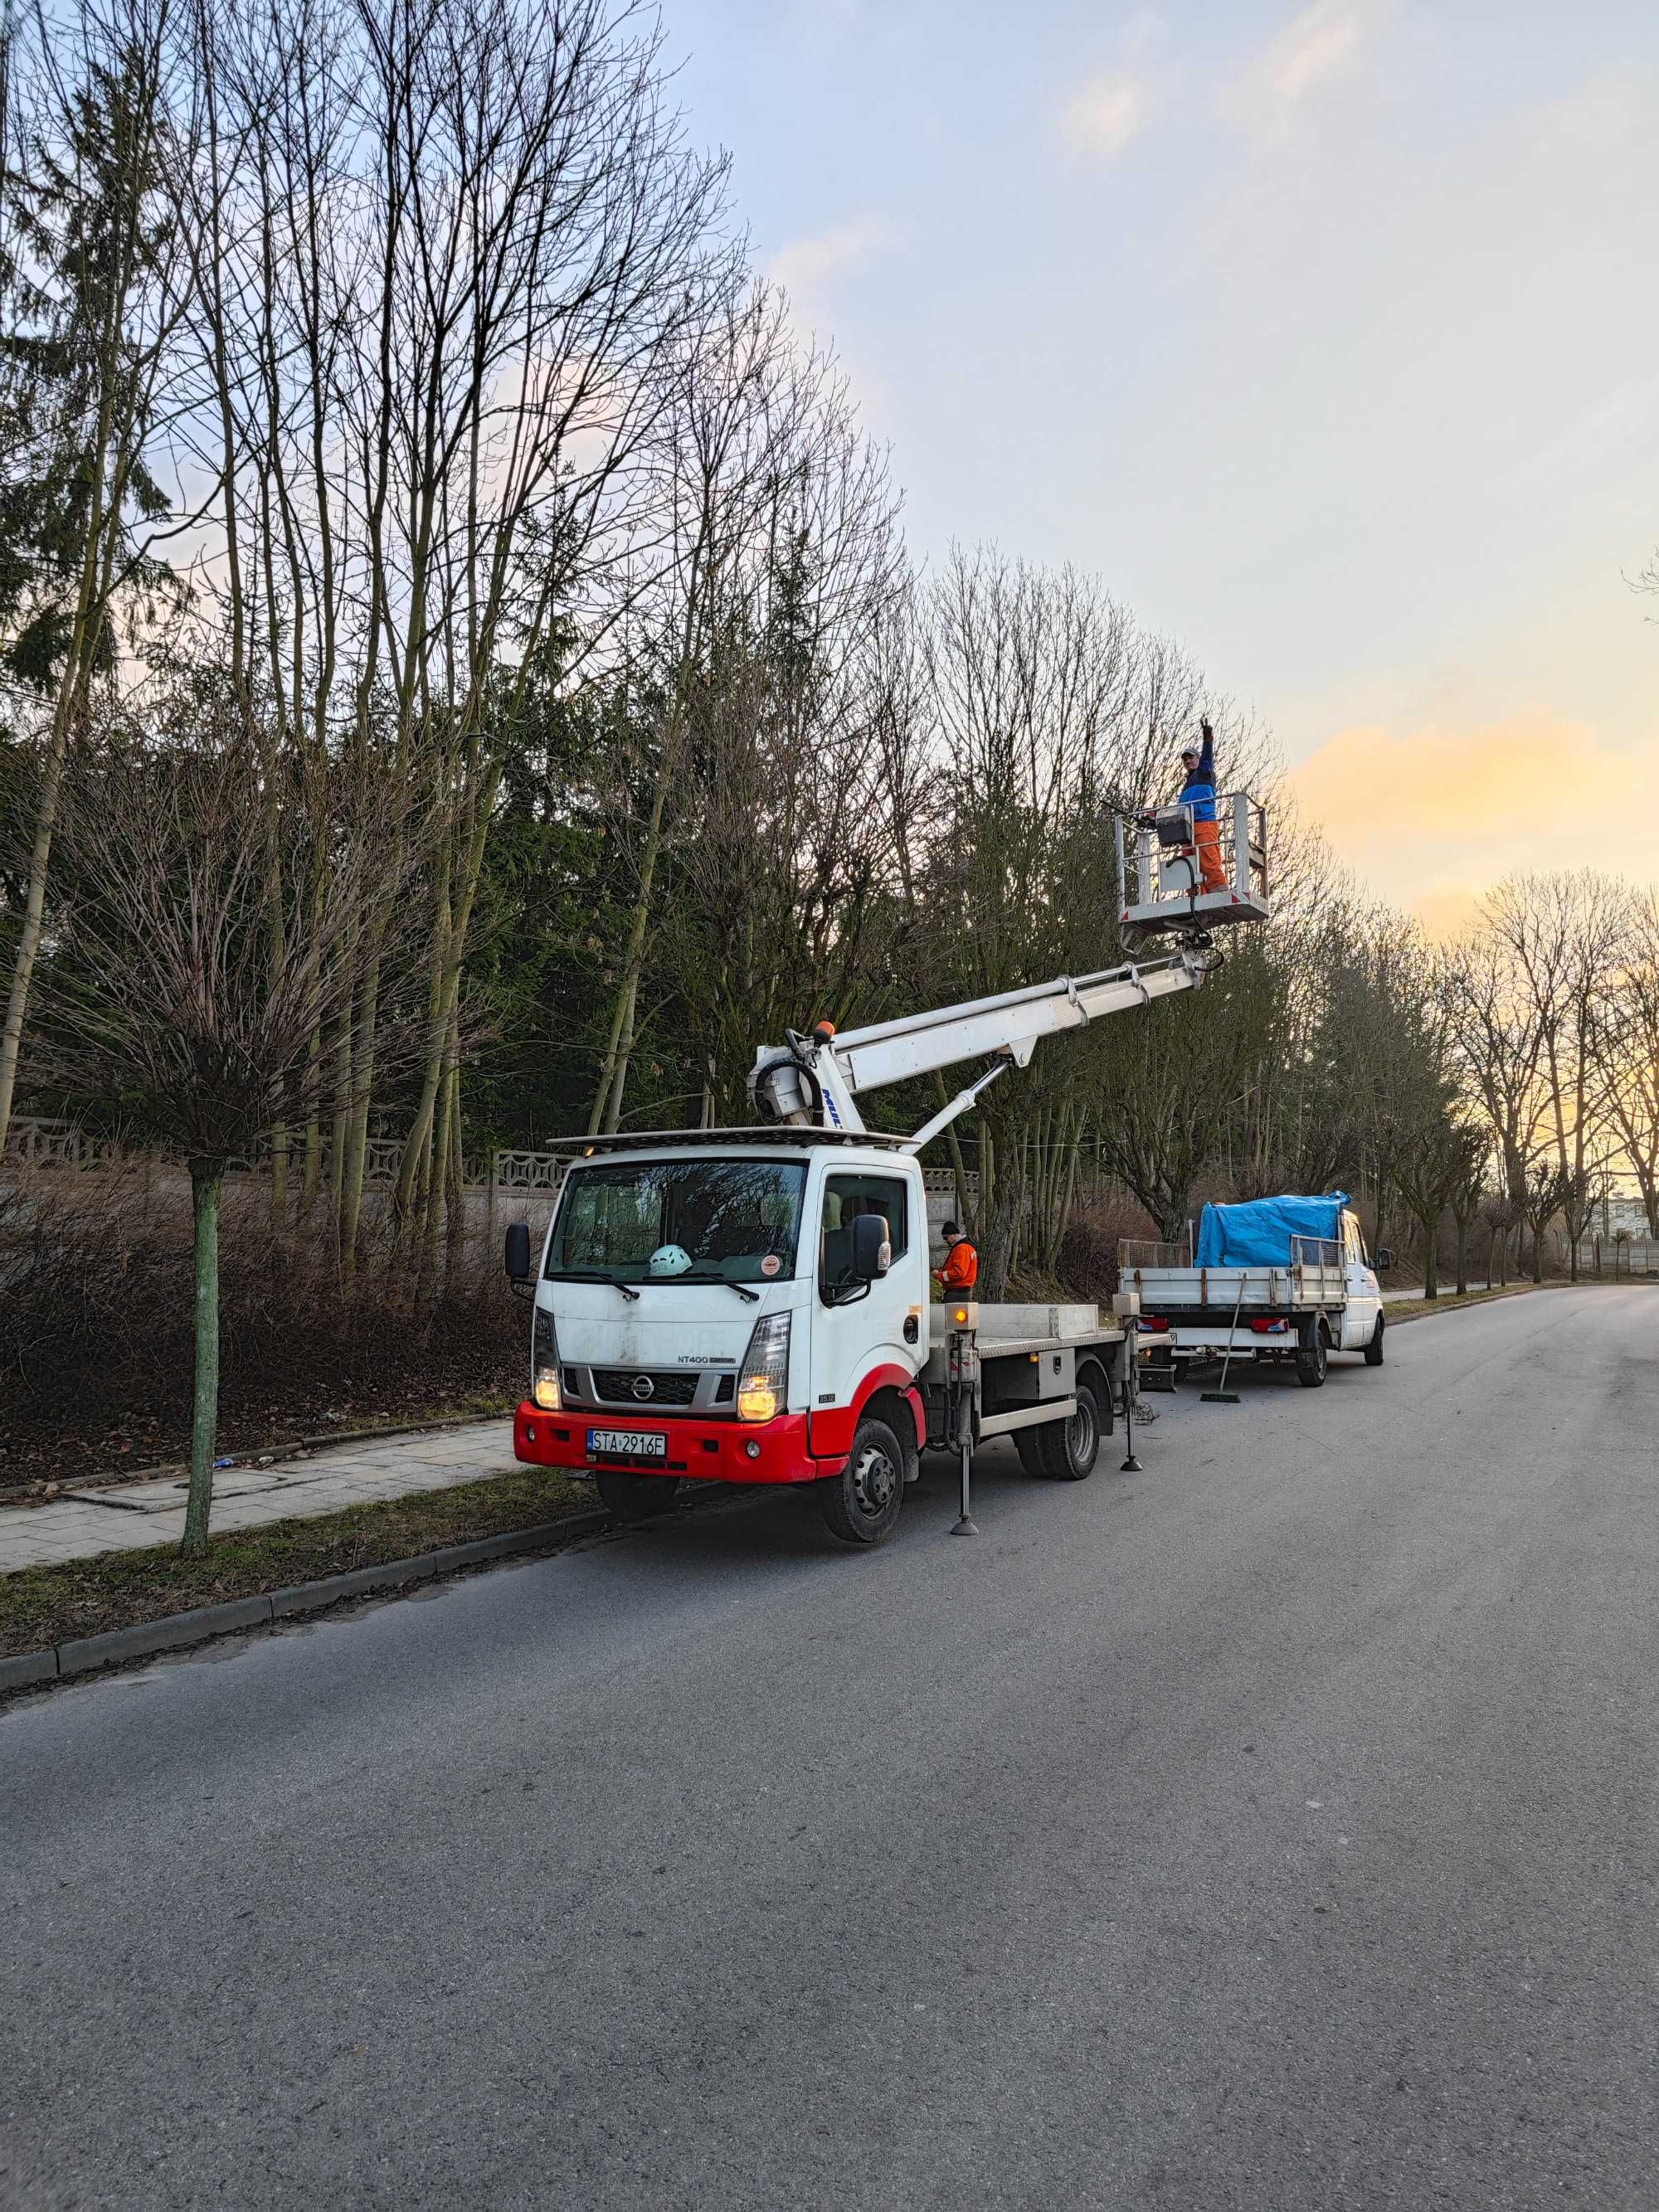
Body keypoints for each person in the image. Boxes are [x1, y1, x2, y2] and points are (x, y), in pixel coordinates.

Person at [1178, 717, 1227, 893]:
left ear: (1198, 759)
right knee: (1189, 867)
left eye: (1191, 757)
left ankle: (1220, 894)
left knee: (1208, 861)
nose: (1188, 761)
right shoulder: (1186, 784)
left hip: (1203, 823)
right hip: (1188, 829)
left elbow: (1207, 755)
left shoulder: (1205, 771)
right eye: (1185, 759)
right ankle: (1195, 897)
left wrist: (1207, 737)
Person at [933, 1219, 978, 1293]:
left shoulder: (961, 1248)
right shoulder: (966, 1247)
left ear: (954, 1235)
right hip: (962, 1291)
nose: (945, 1241)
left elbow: (959, 1273)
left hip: (958, 1291)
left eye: (946, 1238)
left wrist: (939, 1275)